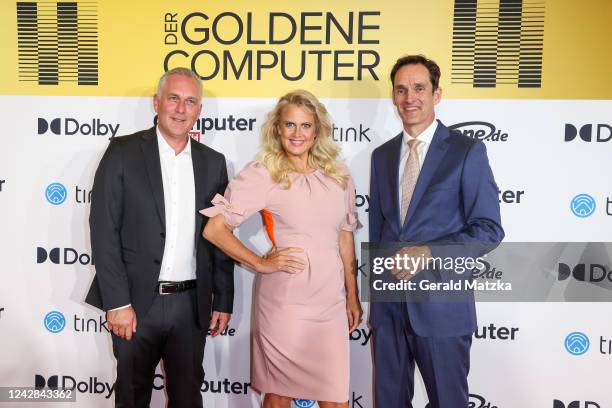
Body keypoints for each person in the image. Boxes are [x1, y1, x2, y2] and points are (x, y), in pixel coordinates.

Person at [201, 90, 362, 408]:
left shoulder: (339, 175)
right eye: (289, 125)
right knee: (278, 396)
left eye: (305, 126)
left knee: (336, 399)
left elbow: (345, 238)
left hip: (330, 303)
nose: (297, 134)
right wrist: (259, 263)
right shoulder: (264, 173)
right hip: (284, 305)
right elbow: (215, 229)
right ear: (277, 128)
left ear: (317, 130)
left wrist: (353, 296)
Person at [85, 67, 234, 407]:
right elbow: (104, 230)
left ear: (199, 110)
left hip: (191, 306)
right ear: (157, 103)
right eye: (174, 99)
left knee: (186, 398)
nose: (181, 109)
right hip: (135, 305)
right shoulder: (122, 153)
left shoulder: (213, 163)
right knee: (132, 397)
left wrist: (223, 299)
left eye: (191, 101)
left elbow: (220, 236)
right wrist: (118, 303)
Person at [369, 55, 504, 407]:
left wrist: (429, 252)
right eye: (401, 89)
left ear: (436, 94)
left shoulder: (466, 151)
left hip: (442, 306)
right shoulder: (381, 156)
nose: (409, 97)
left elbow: (488, 229)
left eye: (418, 88)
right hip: (389, 309)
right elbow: (379, 230)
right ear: (393, 97)